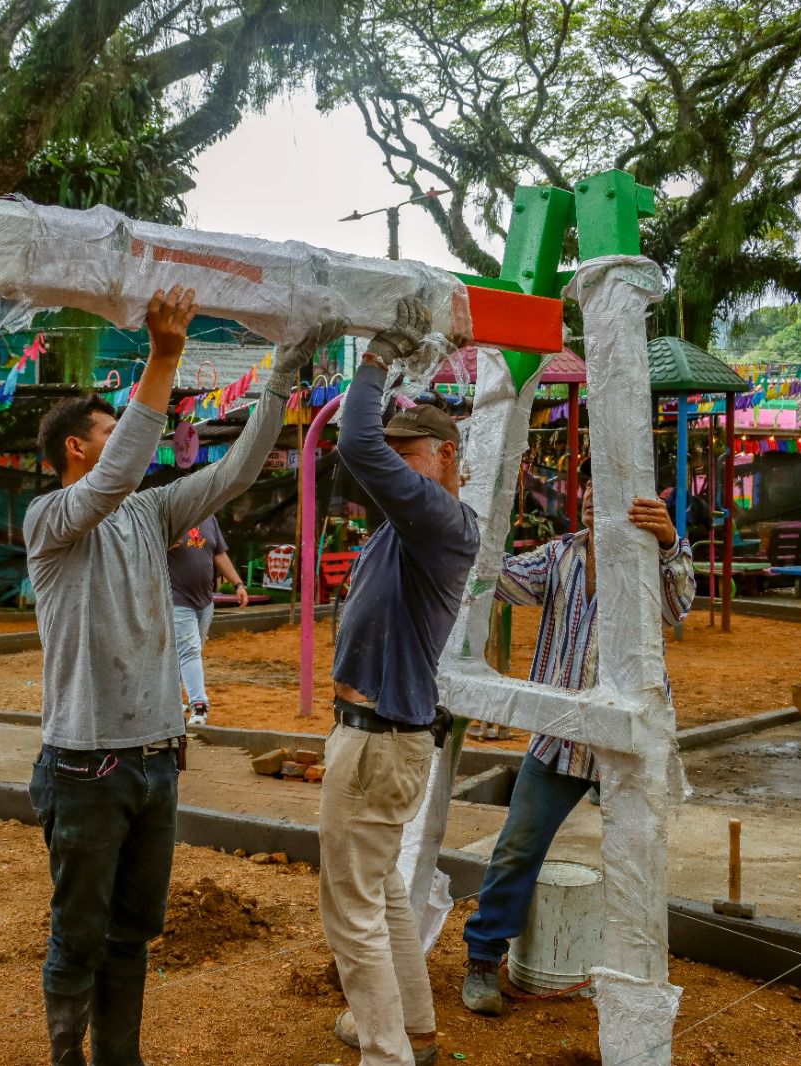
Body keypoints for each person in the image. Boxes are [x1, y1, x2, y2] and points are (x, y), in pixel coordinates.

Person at [24, 285, 334, 1066]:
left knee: (133, 933)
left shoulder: (151, 512)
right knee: (79, 935)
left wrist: (282, 377)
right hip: (86, 765)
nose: (133, 441)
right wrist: (164, 359)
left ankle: (118, 1059)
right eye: (112, 430)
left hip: (157, 759)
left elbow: (237, 471)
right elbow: (117, 474)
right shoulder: (50, 521)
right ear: (77, 449)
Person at [459, 466, 695, 1016]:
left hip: (627, 746)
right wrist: (462, 523)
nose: (592, 497)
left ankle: (637, 974)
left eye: (605, 488)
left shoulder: (649, 556)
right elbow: (500, 578)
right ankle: (483, 958)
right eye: (588, 488)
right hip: (560, 738)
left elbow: (678, 606)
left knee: (640, 856)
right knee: (518, 846)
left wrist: (669, 542)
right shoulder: (560, 556)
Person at [321, 297, 480, 1066]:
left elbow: (355, 442)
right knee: (380, 891)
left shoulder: (437, 520)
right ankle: (412, 1027)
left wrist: (379, 355)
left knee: (351, 910)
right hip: (385, 739)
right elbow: (364, 449)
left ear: (446, 457)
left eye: (407, 452)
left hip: (379, 742)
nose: (392, 463)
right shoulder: (409, 526)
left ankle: (386, 1055)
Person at [167, 512, 247, 725]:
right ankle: (199, 705)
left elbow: (219, 554)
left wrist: (238, 584)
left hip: (204, 600)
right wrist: (164, 544)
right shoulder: (172, 513)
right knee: (189, 650)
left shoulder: (209, 518)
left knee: (187, 652)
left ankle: (171, 700)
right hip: (176, 598)